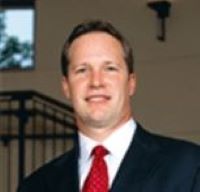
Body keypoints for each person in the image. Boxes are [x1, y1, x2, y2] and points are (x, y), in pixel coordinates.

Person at [18, 20, 200, 192]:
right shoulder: (36, 186)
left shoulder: (190, 167)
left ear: (131, 83)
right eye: (82, 70)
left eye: (110, 68)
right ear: (66, 87)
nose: (96, 82)